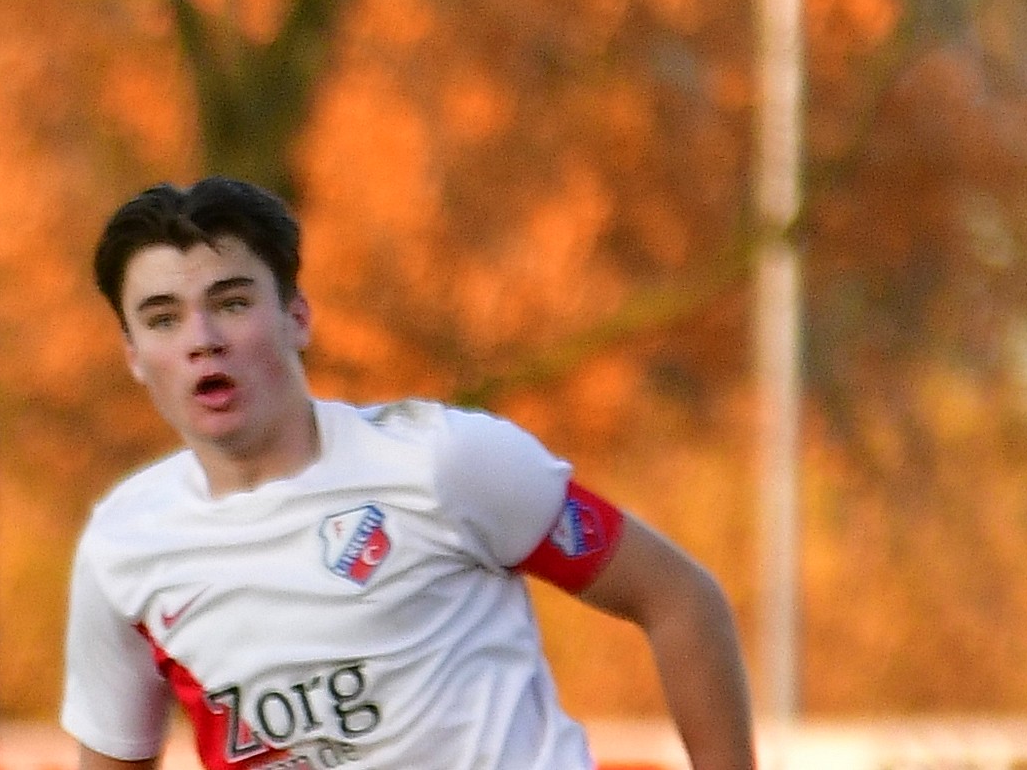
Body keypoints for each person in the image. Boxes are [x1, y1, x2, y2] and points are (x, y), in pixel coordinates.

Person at [61, 178, 754, 770]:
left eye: (233, 303)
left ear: (297, 318)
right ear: (131, 353)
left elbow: (680, 601)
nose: (201, 338)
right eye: (162, 319)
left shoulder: (443, 462)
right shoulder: (125, 548)